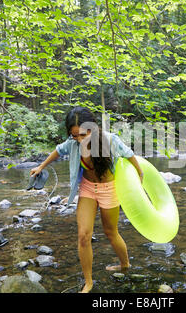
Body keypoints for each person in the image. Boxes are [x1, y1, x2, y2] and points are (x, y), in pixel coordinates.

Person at [30, 107, 143, 293]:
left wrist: (140, 174)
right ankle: (88, 282)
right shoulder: (72, 143)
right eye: (75, 136)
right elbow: (58, 151)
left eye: (84, 134)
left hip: (109, 189)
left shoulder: (110, 140)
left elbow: (129, 154)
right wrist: (40, 167)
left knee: (110, 232)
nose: (80, 139)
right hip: (88, 189)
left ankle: (125, 265)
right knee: (83, 236)